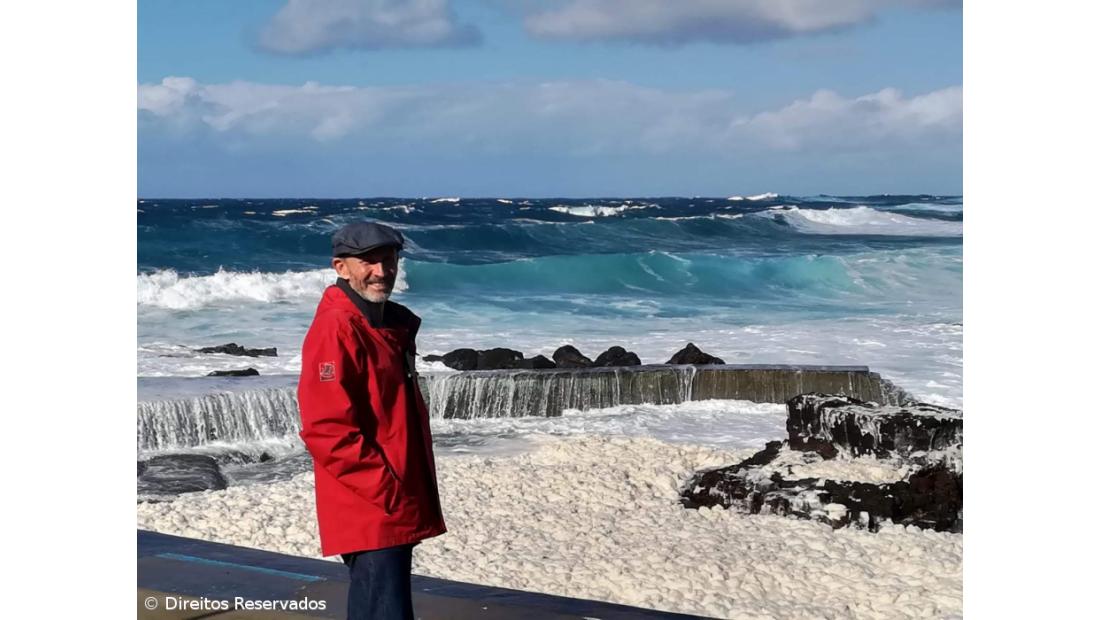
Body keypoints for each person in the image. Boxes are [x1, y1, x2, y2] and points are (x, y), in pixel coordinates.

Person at [297, 221, 446, 620]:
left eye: (389, 260)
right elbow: (326, 429)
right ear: (341, 267)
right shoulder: (338, 327)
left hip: (389, 496)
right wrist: (389, 491)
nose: (382, 271)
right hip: (372, 501)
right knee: (384, 608)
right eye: (369, 261)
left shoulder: (382, 323)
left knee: (375, 605)